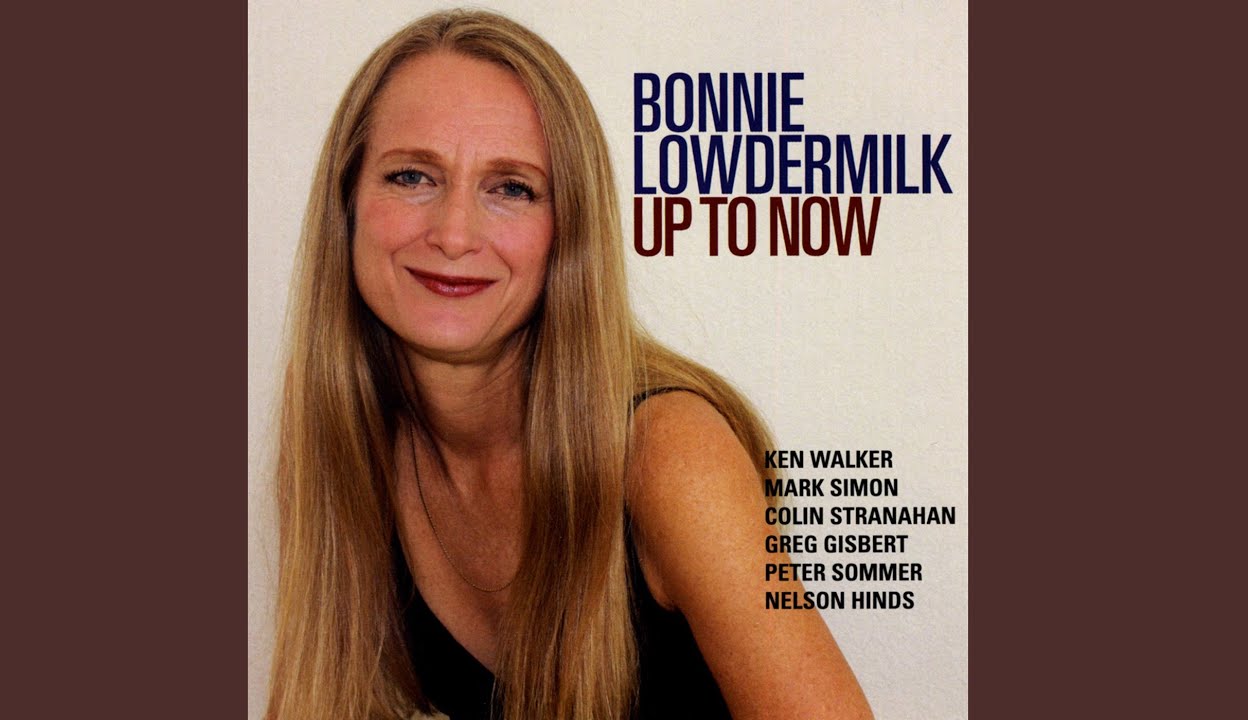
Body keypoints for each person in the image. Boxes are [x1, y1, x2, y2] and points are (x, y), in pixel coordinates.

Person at [265, 9, 873, 720]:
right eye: (411, 176)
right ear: (347, 206)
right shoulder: (346, 440)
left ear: (568, 234)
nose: (454, 233)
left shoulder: (668, 453)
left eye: (511, 188)